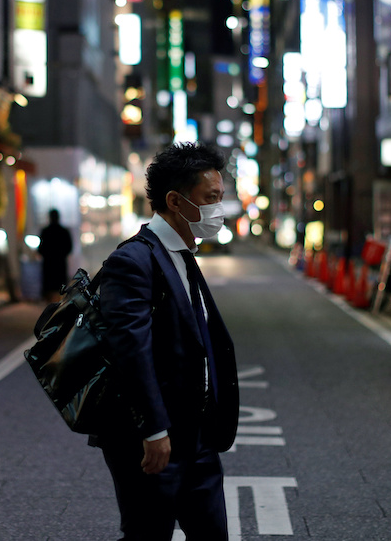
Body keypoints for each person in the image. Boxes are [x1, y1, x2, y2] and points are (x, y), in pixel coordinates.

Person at [93, 142, 240, 541]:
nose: (218, 210)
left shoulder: (183, 255)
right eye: (210, 199)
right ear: (175, 201)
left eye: (220, 198)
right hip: (154, 441)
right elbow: (130, 351)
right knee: (147, 534)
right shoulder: (132, 261)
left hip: (198, 437)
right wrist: (154, 430)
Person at [38, 209, 73, 302]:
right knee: (61, 290)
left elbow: (40, 249)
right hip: (60, 265)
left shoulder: (45, 231)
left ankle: (50, 309)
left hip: (48, 265)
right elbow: (69, 248)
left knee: (49, 290)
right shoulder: (64, 231)